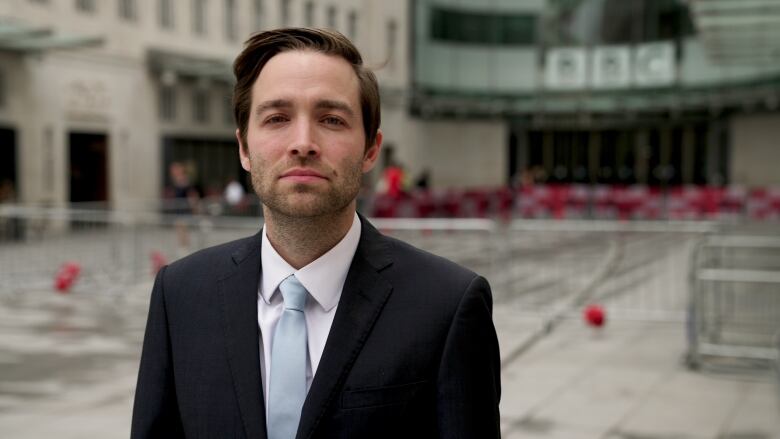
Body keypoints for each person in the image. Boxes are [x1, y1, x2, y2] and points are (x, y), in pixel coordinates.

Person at [131, 28, 500, 439]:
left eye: (331, 119)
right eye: (277, 118)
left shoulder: (447, 305)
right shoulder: (179, 294)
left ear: (371, 149)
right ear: (244, 148)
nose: (303, 143)